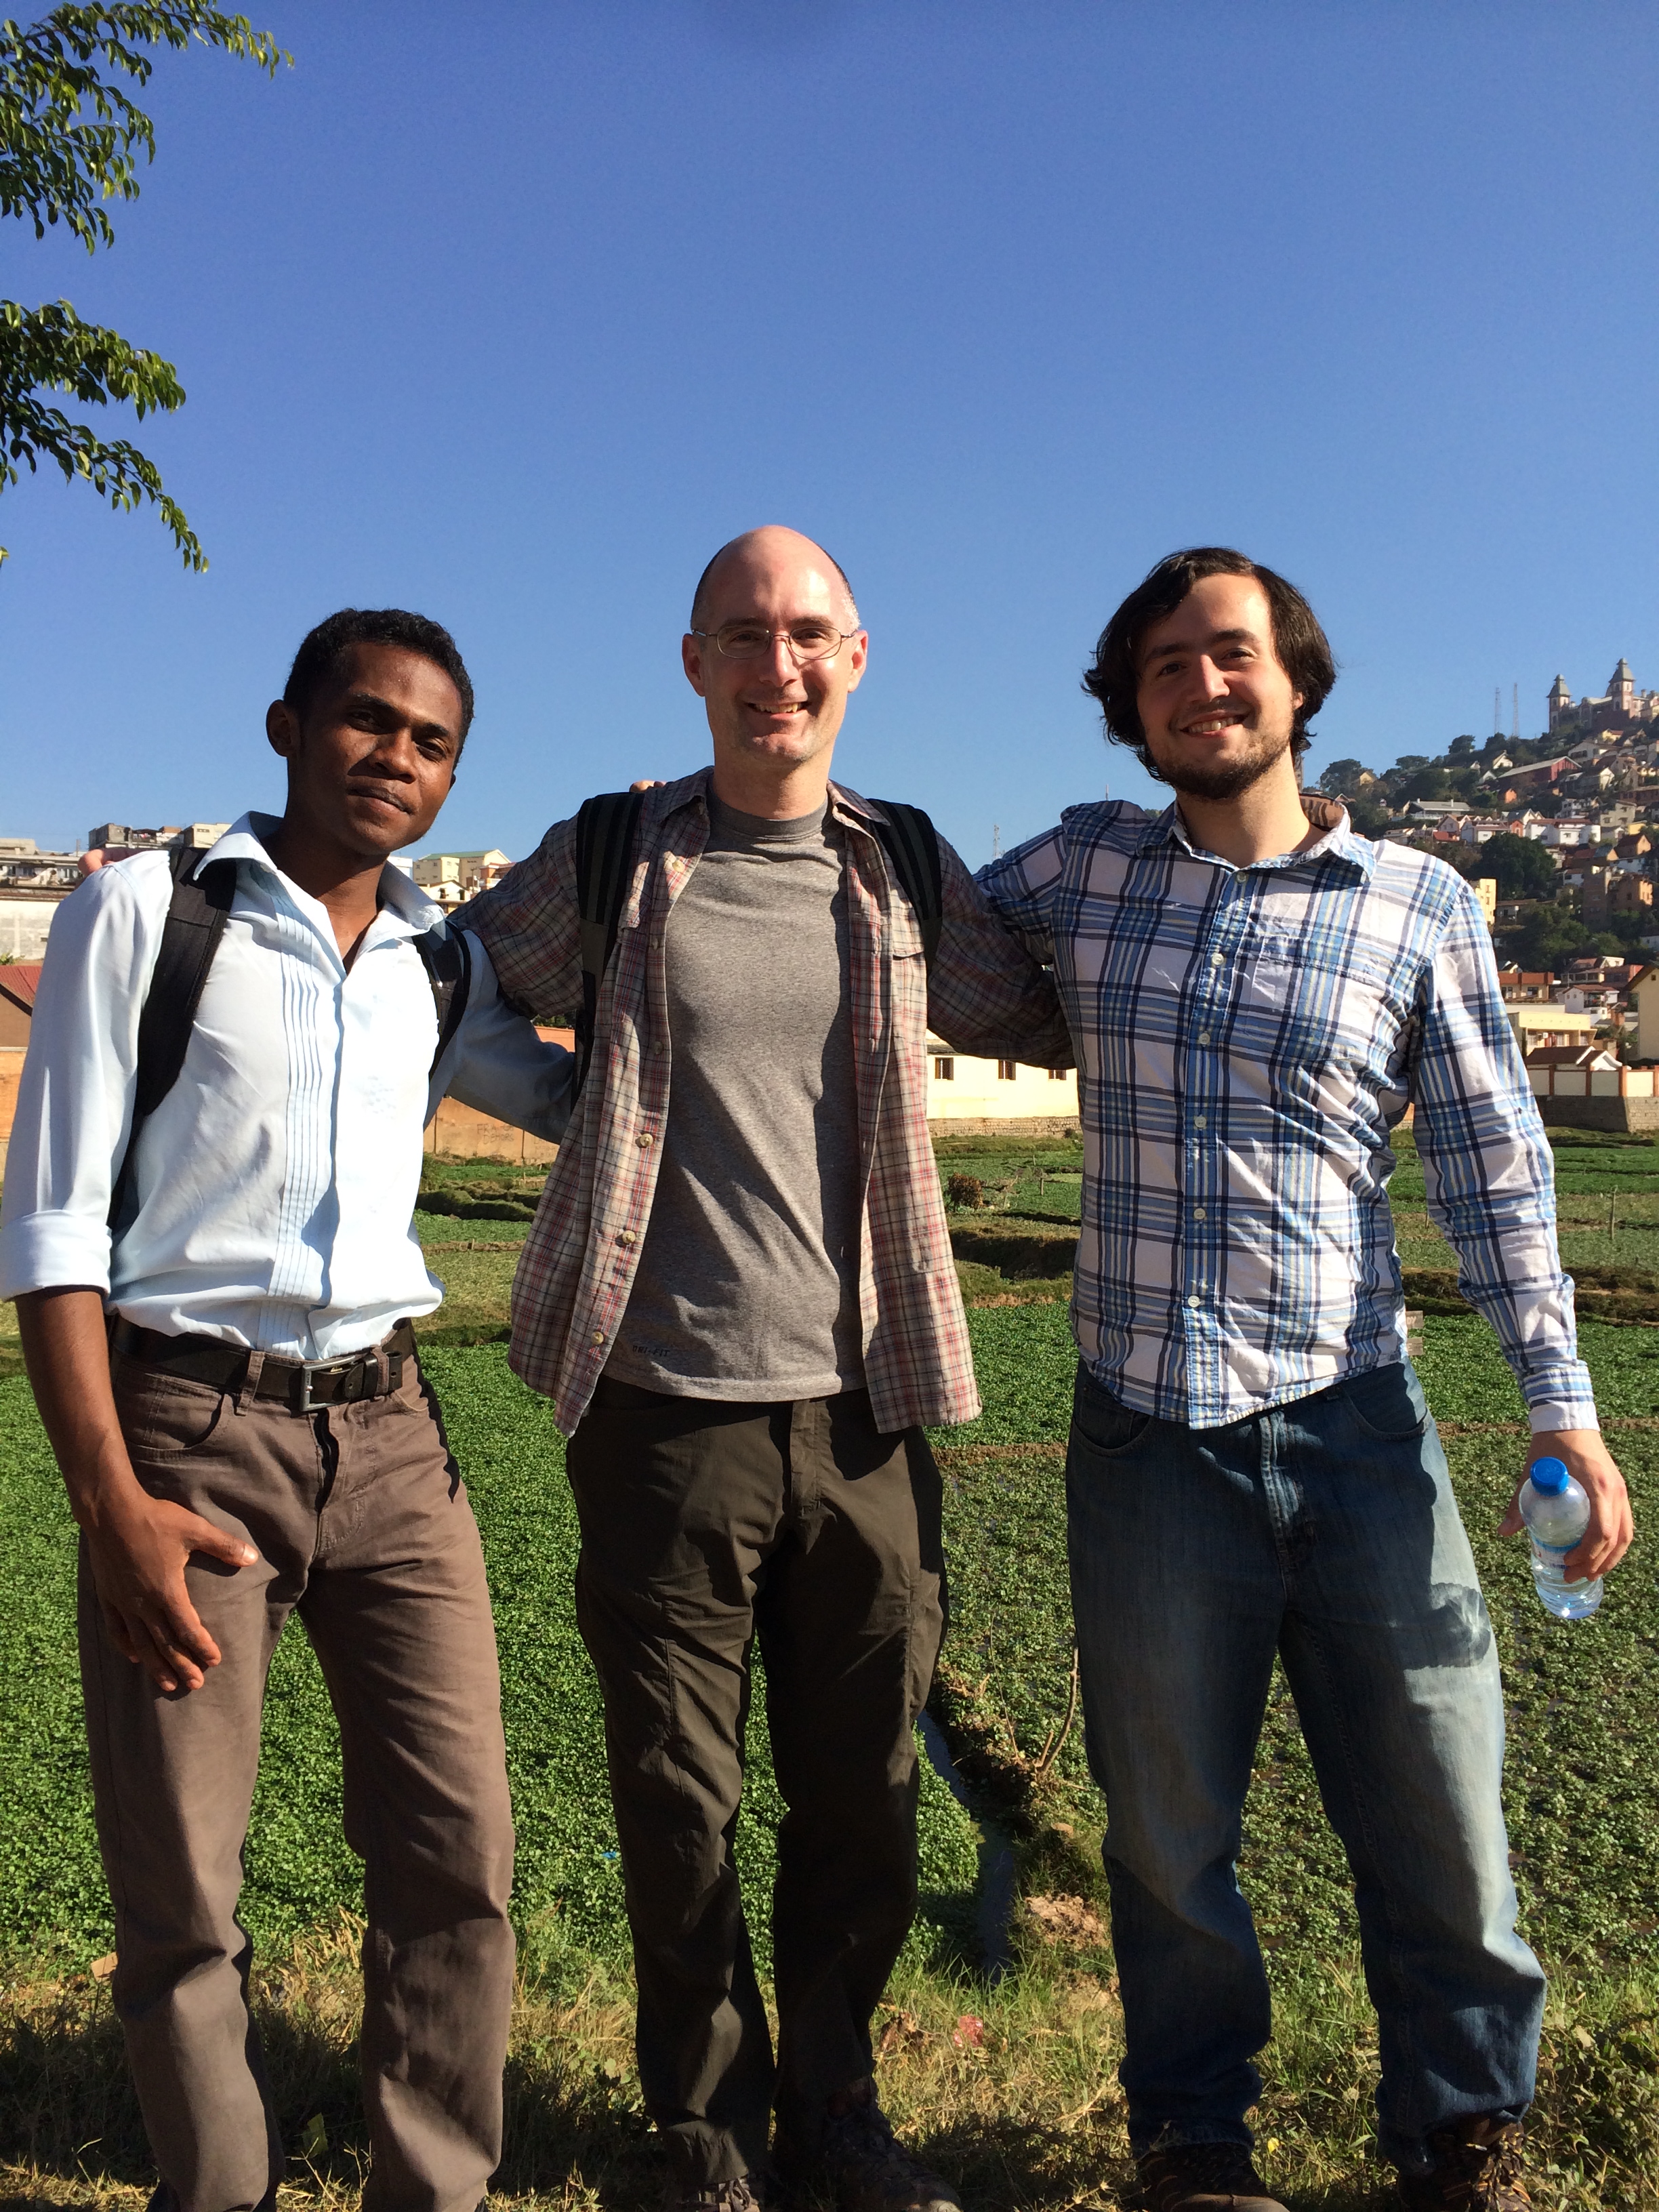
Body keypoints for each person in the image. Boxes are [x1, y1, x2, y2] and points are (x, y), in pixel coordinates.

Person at [975, 548, 1634, 2212]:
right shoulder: (1075, 869)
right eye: (1169, 665)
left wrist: (1563, 1404)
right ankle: (1195, 2141)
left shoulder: (1414, 904)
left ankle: (1463, 2131)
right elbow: (898, 934)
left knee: (1440, 1810)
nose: (1205, 683)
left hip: (1359, 1430)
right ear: (1133, 708)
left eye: (1234, 655)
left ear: (1296, 681)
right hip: (1144, 1433)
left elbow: (1494, 1168)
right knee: (1170, 1834)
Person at [457, 526, 1073, 2212]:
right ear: (695, 663)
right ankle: (707, 2129)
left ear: (855, 661)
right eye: (745, 634)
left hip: (866, 1406)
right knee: (678, 1799)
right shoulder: (614, 856)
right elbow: (442, 987)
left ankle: (841, 2116)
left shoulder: (908, 873)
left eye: (808, 634)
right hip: (661, 1408)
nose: (778, 664)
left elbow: (1066, 1006)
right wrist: (576, 1115)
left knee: (867, 1794)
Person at [1, 609, 574, 2212]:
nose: (397, 758)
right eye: (368, 722)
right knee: (183, 1888)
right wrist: (108, 1500)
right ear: (286, 725)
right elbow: (48, 1227)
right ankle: (219, 2194)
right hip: (189, 1428)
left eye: (433, 741)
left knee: (460, 1859)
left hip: (395, 1440)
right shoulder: (145, 912)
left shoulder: (436, 963)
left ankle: (436, 2189)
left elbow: (597, 1101)